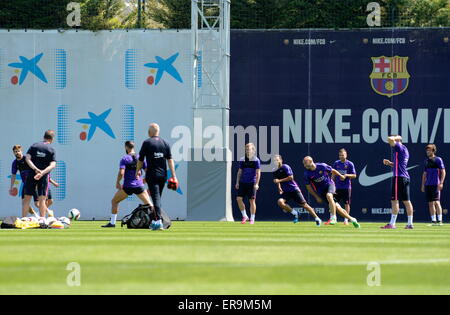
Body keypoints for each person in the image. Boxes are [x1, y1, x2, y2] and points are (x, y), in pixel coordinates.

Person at [102, 141, 153, 228]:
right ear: (133, 147)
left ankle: (112, 223)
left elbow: (121, 173)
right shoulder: (140, 157)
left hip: (127, 187)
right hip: (138, 185)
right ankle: (156, 222)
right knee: (150, 205)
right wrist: (145, 179)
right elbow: (148, 171)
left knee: (114, 201)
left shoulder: (125, 158)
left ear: (126, 147)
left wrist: (118, 182)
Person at [136, 123, 177, 231]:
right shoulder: (165, 143)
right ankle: (155, 221)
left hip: (152, 175)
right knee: (157, 198)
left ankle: (158, 221)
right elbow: (170, 160)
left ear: (150, 132)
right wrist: (174, 176)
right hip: (162, 176)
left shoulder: (147, 142)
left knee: (155, 198)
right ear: (158, 132)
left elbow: (140, 160)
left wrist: (137, 171)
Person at [303, 156, 360, 228]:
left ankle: (333, 217)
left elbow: (333, 171)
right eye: (304, 164)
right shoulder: (307, 174)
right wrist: (316, 196)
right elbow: (308, 187)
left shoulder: (322, 166)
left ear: (311, 162)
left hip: (330, 184)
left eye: (305, 163)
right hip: (321, 191)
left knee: (329, 195)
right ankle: (352, 219)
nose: (304, 165)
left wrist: (340, 175)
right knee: (338, 208)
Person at [272, 155, 321, 226]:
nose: (276, 162)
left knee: (305, 205)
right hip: (286, 191)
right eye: (274, 161)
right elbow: (277, 180)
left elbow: (291, 177)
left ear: (281, 160)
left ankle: (317, 218)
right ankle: (296, 213)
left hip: (293, 189)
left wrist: (279, 180)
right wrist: (279, 187)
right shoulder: (274, 170)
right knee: (280, 202)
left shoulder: (285, 167)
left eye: (277, 160)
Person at [381, 135, 415, 229]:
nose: (392, 144)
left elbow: (389, 139)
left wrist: (396, 137)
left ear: (398, 141)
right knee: (407, 201)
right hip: (405, 177)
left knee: (394, 200)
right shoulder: (405, 149)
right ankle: (410, 224)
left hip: (398, 177)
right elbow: (400, 164)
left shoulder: (399, 146)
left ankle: (392, 224)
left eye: (395, 141)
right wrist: (390, 163)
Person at [22, 130, 57, 218]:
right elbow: (53, 165)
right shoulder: (51, 149)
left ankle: (23, 220)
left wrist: (35, 169)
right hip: (44, 176)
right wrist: (42, 172)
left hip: (32, 174)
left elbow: (27, 159)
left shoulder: (34, 146)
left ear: (43, 137)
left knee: (27, 199)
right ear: (52, 139)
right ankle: (42, 220)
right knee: (42, 199)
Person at [9, 145, 39, 217]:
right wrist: (11, 187)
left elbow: (35, 169)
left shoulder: (27, 159)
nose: (17, 153)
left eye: (18, 151)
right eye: (15, 152)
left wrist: (38, 183)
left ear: (21, 151)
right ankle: (36, 215)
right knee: (24, 204)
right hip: (25, 185)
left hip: (34, 183)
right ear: (13, 153)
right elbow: (13, 175)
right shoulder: (15, 163)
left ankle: (48, 212)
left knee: (37, 204)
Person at [235, 143, 261, 224]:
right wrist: (237, 182)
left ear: (253, 150)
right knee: (239, 199)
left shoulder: (256, 160)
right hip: (243, 182)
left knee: (252, 201)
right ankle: (245, 216)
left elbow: (258, 173)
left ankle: (252, 218)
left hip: (252, 183)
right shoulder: (242, 159)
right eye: (246, 149)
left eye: (249, 149)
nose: (247, 151)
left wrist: (256, 184)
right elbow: (239, 172)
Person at [421, 144, 446, 226]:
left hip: (436, 184)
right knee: (430, 203)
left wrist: (441, 183)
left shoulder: (438, 159)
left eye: (429, 150)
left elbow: (443, 171)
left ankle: (440, 221)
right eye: (427, 150)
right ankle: (433, 221)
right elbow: (424, 174)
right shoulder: (426, 161)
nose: (427, 152)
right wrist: (423, 185)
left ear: (433, 151)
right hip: (428, 185)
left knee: (437, 202)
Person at [332, 149, 357, 225]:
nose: (341, 156)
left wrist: (346, 175)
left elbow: (354, 175)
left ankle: (346, 220)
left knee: (346, 204)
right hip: (337, 187)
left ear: (346, 155)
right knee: (333, 203)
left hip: (346, 187)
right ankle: (333, 218)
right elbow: (333, 173)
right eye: (340, 155)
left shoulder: (350, 164)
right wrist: (331, 182)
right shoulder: (336, 163)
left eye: (342, 155)